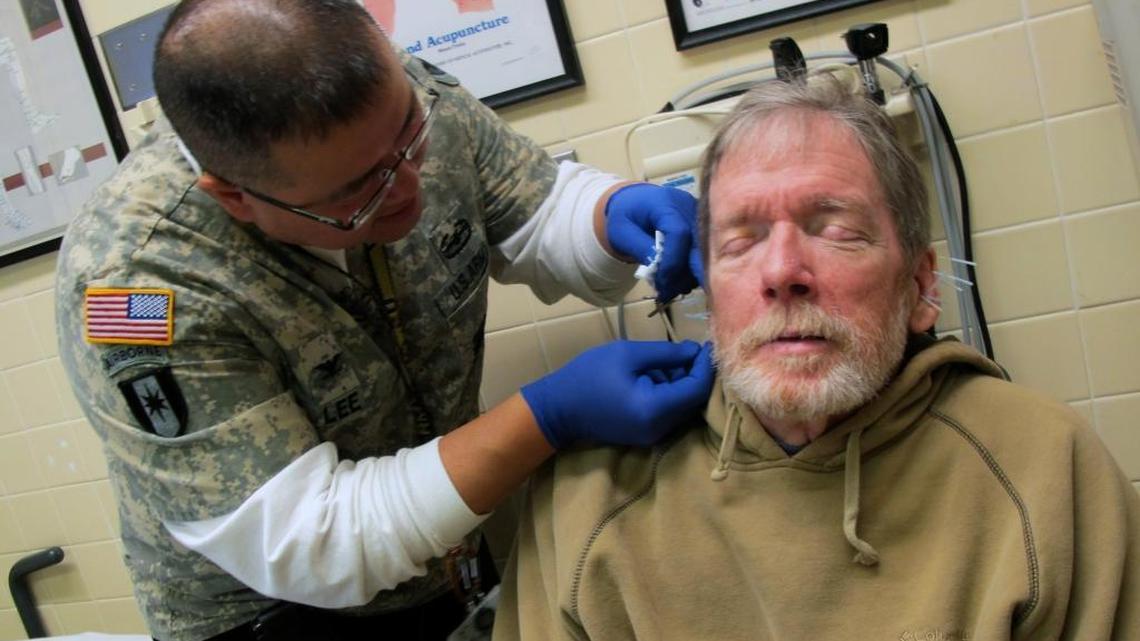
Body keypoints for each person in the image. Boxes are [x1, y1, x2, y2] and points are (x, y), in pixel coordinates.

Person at [53, 1, 714, 640]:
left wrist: (608, 213)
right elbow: (316, 541)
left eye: (411, 140)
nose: (410, 188)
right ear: (235, 195)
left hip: (443, 560)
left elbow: (534, 210)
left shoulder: (396, 100)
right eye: (357, 191)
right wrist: (548, 416)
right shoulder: (135, 286)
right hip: (274, 613)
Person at [494, 75, 1140, 641]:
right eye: (740, 241)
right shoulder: (588, 499)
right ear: (710, 292)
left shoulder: (1044, 469)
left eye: (836, 230)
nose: (781, 270)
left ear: (920, 288)